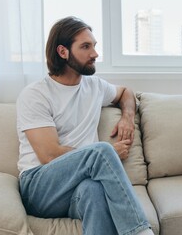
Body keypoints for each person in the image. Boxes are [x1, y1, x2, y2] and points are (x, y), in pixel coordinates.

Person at [16, 16, 154, 235]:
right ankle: (140, 232)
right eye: (86, 47)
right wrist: (104, 155)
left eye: (94, 46)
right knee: (101, 151)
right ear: (63, 52)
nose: (95, 54)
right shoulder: (35, 95)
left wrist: (127, 118)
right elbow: (49, 156)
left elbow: (126, 93)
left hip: (77, 187)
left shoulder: (94, 86)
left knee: (94, 191)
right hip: (39, 187)